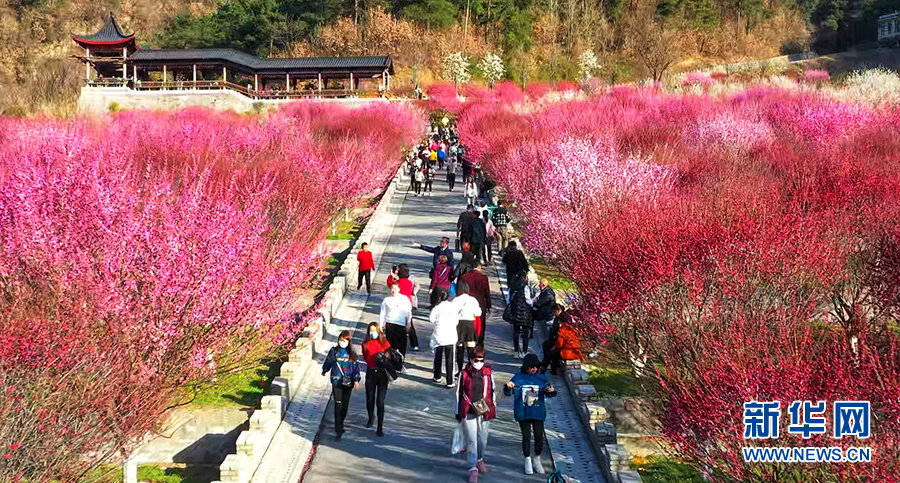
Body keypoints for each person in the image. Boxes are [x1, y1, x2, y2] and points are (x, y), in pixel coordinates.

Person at [503, 354, 557, 475]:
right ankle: (527, 459)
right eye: (531, 367)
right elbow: (508, 392)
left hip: (538, 412)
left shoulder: (541, 378)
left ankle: (537, 458)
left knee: (539, 436)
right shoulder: (518, 377)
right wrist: (508, 387)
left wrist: (551, 391)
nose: (533, 369)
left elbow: (549, 392)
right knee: (526, 436)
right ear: (526, 367)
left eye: (536, 367)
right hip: (523, 412)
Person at [454, 347, 497, 483]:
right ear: (471, 359)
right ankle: (472, 467)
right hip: (469, 410)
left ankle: (480, 459)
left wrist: (492, 405)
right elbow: (458, 393)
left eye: (481, 360)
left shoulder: (488, 373)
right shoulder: (464, 373)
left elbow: (493, 390)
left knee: (483, 439)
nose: (479, 362)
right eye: (476, 360)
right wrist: (458, 412)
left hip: (484, 410)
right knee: (472, 439)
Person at [321, 330, 361, 440]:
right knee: (338, 404)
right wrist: (325, 370)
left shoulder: (352, 354)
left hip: (348, 382)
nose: (342, 342)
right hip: (336, 381)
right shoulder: (334, 352)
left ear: (348, 341)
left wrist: (356, 380)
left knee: (345, 405)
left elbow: (356, 368)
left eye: (344, 340)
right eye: (340, 340)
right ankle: (338, 428)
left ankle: (341, 422)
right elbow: (328, 362)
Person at [362, 323, 391, 437]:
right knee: (370, 399)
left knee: (380, 402)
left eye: (374, 330)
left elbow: (390, 354)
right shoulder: (365, 344)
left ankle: (380, 427)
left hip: (382, 374)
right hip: (371, 373)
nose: (372, 333)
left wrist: (385, 358)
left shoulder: (384, 342)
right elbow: (365, 357)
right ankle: (370, 416)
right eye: (371, 331)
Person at [430, 291, 460, 387]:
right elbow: (456, 321)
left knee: (438, 356)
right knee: (450, 358)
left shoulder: (437, 308)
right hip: (450, 335)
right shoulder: (453, 307)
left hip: (439, 335)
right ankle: (450, 381)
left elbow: (431, 319)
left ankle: (437, 376)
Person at [459, 263, 492, 348]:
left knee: (468, 321)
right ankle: (479, 343)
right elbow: (486, 292)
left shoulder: (464, 277)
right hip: (481, 303)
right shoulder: (483, 278)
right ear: (479, 267)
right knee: (481, 324)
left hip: (466, 302)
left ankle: (466, 340)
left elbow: (460, 290)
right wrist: (488, 305)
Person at [453, 282, 482, 373]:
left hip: (459, 326)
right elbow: (478, 313)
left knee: (459, 349)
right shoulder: (473, 300)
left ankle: (459, 370)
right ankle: (471, 369)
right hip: (470, 325)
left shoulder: (455, 300)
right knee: (471, 349)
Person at [541, 304, 579, 375]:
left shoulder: (563, 328)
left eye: (554, 312)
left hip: (566, 350)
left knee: (551, 353)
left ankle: (544, 369)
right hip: (565, 346)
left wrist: (554, 347)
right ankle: (548, 367)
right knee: (548, 348)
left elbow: (559, 343)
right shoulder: (566, 327)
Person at [504, 270, 534, 358]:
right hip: (524, 312)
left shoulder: (512, 287)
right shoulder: (525, 287)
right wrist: (532, 302)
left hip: (514, 311)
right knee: (526, 332)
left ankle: (516, 350)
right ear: (524, 278)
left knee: (516, 332)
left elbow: (508, 300)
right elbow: (528, 300)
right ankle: (524, 351)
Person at [379, 284, 413, 357]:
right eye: (391, 288)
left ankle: (401, 361)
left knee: (402, 345)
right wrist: (381, 324)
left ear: (399, 289)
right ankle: (391, 362)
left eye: (395, 288)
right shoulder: (387, 300)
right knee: (391, 346)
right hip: (390, 323)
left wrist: (408, 323)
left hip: (401, 324)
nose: (393, 290)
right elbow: (383, 313)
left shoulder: (404, 299)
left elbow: (408, 312)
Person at [396, 264, 420, 351]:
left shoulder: (398, 283)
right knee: (410, 324)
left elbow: (390, 285)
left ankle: (398, 343)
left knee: (398, 324)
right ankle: (414, 343)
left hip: (399, 304)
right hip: (408, 304)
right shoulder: (409, 283)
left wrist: (392, 275)